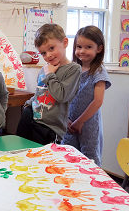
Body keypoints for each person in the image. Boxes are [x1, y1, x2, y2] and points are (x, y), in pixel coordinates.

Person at [16, 23, 81, 145]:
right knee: (22, 154)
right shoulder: (45, 69)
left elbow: (61, 96)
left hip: (50, 128)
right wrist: (28, 104)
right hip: (32, 119)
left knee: (44, 161)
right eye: (43, 53)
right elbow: (40, 92)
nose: (48, 55)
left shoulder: (73, 69)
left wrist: (50, 75)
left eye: (51, 48)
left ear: (65, 42)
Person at [61, 26, 111, 166]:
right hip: (70, 123)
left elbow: (98, 101)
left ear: (99, 49)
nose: (82, 51)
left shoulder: (99, 72)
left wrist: (80, 122)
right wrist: (67, 119)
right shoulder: (73, 69)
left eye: (88, 47)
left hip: (88, 125)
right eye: (79, 46)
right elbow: (65, 96)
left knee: (89, 160)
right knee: (69, 157)